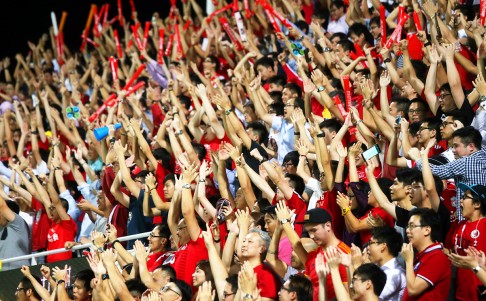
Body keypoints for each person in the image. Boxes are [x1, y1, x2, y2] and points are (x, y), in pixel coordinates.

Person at [276, 202, 350, 301]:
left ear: (328, 226)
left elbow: (349, 293)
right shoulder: (313, 254)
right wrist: (285, 222)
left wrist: (285, 222)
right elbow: (297, 246)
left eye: (314, 230)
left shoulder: (344, 254)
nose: (311, 236)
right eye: (308, 232)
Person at [401, 208, 451, 300]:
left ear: (427, 230)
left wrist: (408, 261)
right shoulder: (423, 255)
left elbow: (413, 290)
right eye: (407, 226)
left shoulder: (437, 257)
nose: (407, 230)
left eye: (412, 226)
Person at [367, 227, 406, 301]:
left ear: (383, 246)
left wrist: (359, 265)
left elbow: (370, 297)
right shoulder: (378, 270)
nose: (367, 248)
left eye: (370, 243)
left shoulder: (396, 273)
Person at [0, 196, 30, 270]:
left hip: (19, 271)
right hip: (3, 273)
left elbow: (2, 205)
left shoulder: (19, 224)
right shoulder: (1, 228)